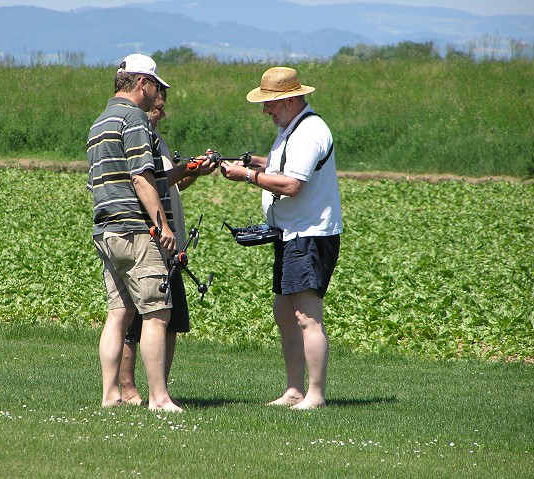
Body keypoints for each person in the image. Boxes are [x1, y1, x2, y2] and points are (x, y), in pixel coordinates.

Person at [87, 53, 211, 412]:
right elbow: (142, 178)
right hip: (138, 231)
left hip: (107, 231)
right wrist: (164, 224)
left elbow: (122, 178)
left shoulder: (99, 122)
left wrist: (188, 170)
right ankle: (159, 398)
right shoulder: (135, 119)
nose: (157, 94)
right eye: (156, 85)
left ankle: (110, 394)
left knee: (118, 315)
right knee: (157, 315)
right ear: (142, 83)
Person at [220, 66, 342, 409]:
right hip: (289, 234)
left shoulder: (309, 132)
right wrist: (250, 162)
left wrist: (246, 176)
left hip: (309, 235)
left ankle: (315, 394)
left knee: (307, 316)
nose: (265, 111)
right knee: (285, 312)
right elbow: (282, 165)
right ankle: (294, 390)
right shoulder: (292, 128)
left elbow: (291, 184)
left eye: (268, 104)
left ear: (287, 100)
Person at [119, 89, 216, 405]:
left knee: (170, 318)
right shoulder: (137, 136)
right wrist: (188, 167)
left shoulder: (157, 139)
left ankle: (158, 388)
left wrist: (194, 170)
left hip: (169, 239)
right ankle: (129, 389)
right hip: (149, 235)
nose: (160, 112)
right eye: (156, 107)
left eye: (162, 108)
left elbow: (170, 179)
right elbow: (154, 181)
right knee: (138, 320)